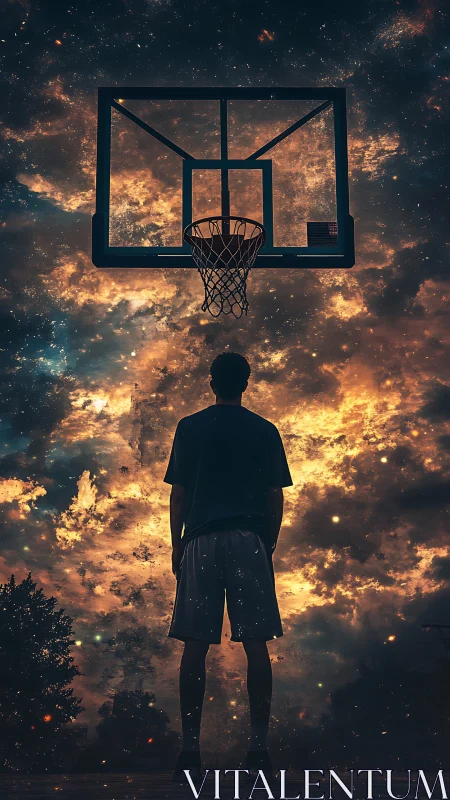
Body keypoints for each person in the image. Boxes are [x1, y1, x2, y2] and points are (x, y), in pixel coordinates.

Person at [164, 352, 292, 782]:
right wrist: (266, 543)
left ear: (211, 381)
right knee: (256, 644)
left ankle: (189, 750)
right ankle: (258, 748)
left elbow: (178, 494)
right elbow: (275, 494)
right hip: (247, 540)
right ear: (247, 383)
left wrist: (177, 545)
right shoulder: (264, 430)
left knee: (195, 646)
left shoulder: (189, 427)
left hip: (200, 540)